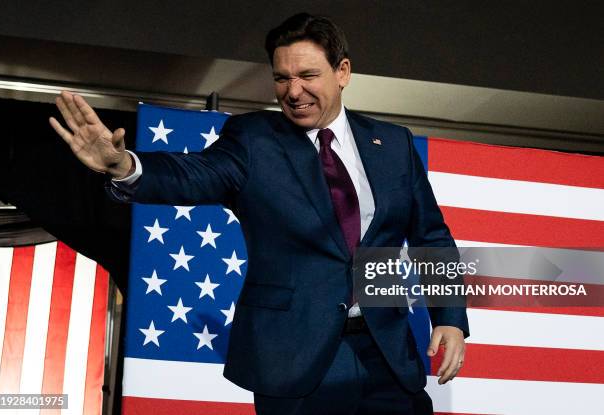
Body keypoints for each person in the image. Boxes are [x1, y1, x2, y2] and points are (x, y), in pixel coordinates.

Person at [50, 13, 468, 415]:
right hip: (294, 362)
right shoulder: (253, 140)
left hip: (387, 356)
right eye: (282, 78)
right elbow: (192, 175)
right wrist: (124, 166)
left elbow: (431, 236)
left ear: (342, 72)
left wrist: (449, 317)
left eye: (307, 76)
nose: (293, 91)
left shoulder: (392, 143)